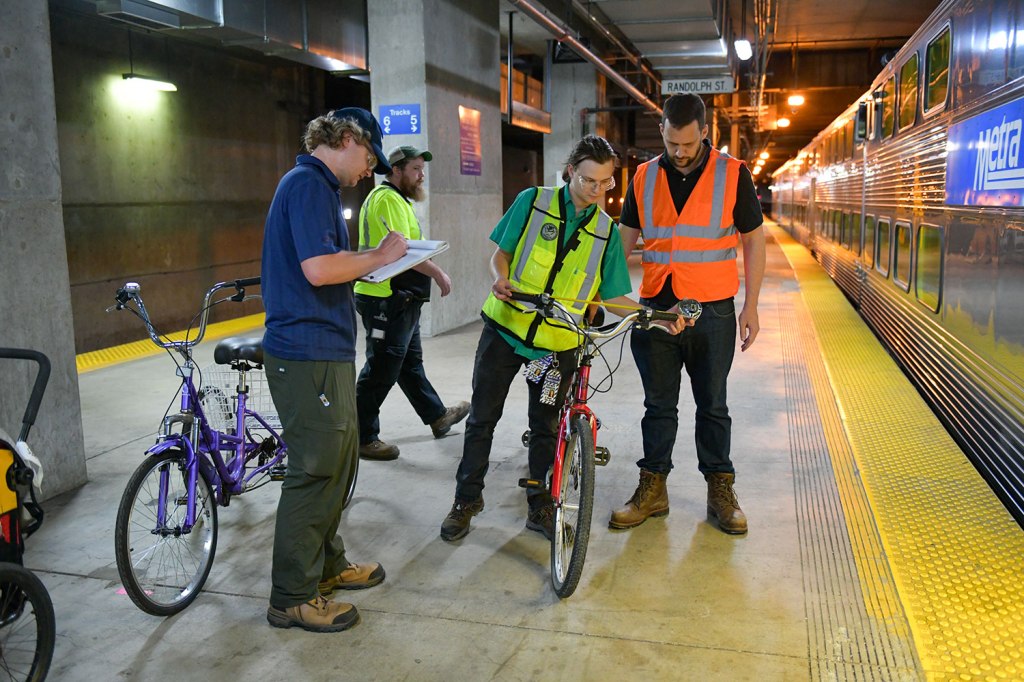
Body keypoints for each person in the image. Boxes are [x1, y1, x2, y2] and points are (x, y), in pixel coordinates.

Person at [440, 135, 686, 543]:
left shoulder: (607, 231)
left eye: (605, 183)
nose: (596, 191)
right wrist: (499, 277)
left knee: (546, 425)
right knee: (483, 418)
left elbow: (611, 296)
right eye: (589, 180)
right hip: (505, 331)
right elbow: (500, 253)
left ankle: (539, 505)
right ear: (571, 171)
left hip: (555, 348)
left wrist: (656, 318)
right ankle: (466, 500)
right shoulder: (532, 202)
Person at [261, 108, 409, 633]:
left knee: (339, 466)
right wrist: (381, 255)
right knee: (317, 472)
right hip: (306, 354)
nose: (369, 169)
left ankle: (326, 567)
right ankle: (293, 597)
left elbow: (327, 264)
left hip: (324, 352)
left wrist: (372, 256)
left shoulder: (319, 189)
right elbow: (320, 270)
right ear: (347, 139)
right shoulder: (306, 185)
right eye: (368, 157)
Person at [613, 93, 766, 535]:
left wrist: (750, 305)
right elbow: (624, 241)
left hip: (712, 311)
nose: (680, 153)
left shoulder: (732, 174)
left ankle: (720, 490)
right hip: (656, 307)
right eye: (672, 143)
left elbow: (754, 240)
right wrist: (602, 295)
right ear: (662, 131)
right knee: (658, 405)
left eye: (688, 144)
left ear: (704, 132)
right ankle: (653, 488)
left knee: (712, 406)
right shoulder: (642, 177)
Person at [354, 145, 470, 461]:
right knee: (381, 366)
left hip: (402, 301)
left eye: (422, 169)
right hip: (384, 302)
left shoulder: (397, 200)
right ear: (396, 170)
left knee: (408, 363)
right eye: (416, 169)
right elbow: (404, 251)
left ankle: (436, 416)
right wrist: (440, 274)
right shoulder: (387, 199)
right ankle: (361, 436)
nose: (421, 176)